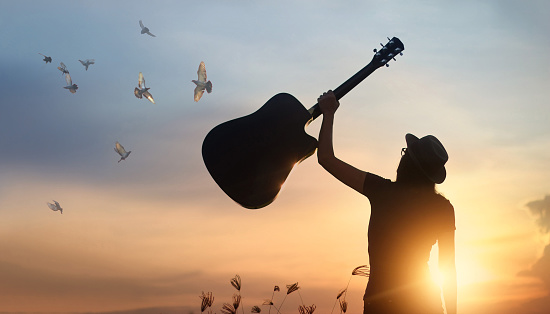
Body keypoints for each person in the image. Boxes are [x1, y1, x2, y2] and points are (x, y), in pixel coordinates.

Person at [316, 90, 457, 314]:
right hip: (425, 303)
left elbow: (326, 158)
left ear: (407, 163)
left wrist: (329, 113)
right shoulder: (443, 209)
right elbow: (448, 267)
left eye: (404, 154)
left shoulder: (381, 191)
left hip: (381, 304)